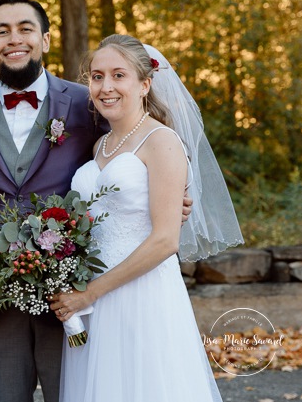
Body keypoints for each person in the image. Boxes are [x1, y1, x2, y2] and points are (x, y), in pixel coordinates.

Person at [49, 34, 243, 402]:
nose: (106, 86)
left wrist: (90, 292)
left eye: (118, 75)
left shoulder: (162, 141)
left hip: (140, 294)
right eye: (97, 76)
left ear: (145, 84)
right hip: (93, 297)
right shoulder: (100, 145)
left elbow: (165, 240)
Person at [0, 0, 109, 402]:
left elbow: (125, 153)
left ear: (45, 39)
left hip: (68, 291)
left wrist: (169, 190)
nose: (14, 39)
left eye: (25, 28)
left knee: (74, 395)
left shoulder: (85, 101)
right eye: (1, 31)